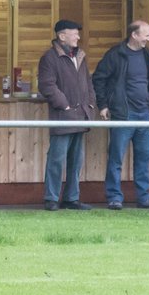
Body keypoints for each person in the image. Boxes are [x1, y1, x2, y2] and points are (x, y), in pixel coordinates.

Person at [92, 20, 149, 210]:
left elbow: (148, 82)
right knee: (116, 157)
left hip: (144, 114)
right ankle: (114, 197)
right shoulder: (115, 54)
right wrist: (102, 105)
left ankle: (144, 197)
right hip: (123, 114)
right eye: (146, 35)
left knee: (144, 158)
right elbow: (98, 78)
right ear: (134, 35)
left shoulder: (147, 54)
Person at [38, 19, 96, 210]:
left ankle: (71, 198)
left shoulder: (80, 56)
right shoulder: (49, 58)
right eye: (74, 33)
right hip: (63, 116)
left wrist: (90, 105)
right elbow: (47, 85)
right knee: (57, 158)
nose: (78, 36)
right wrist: (65, 106)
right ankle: (51, 198)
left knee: (76, 160)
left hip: (80, 115)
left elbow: (88, 84)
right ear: (62, 36)